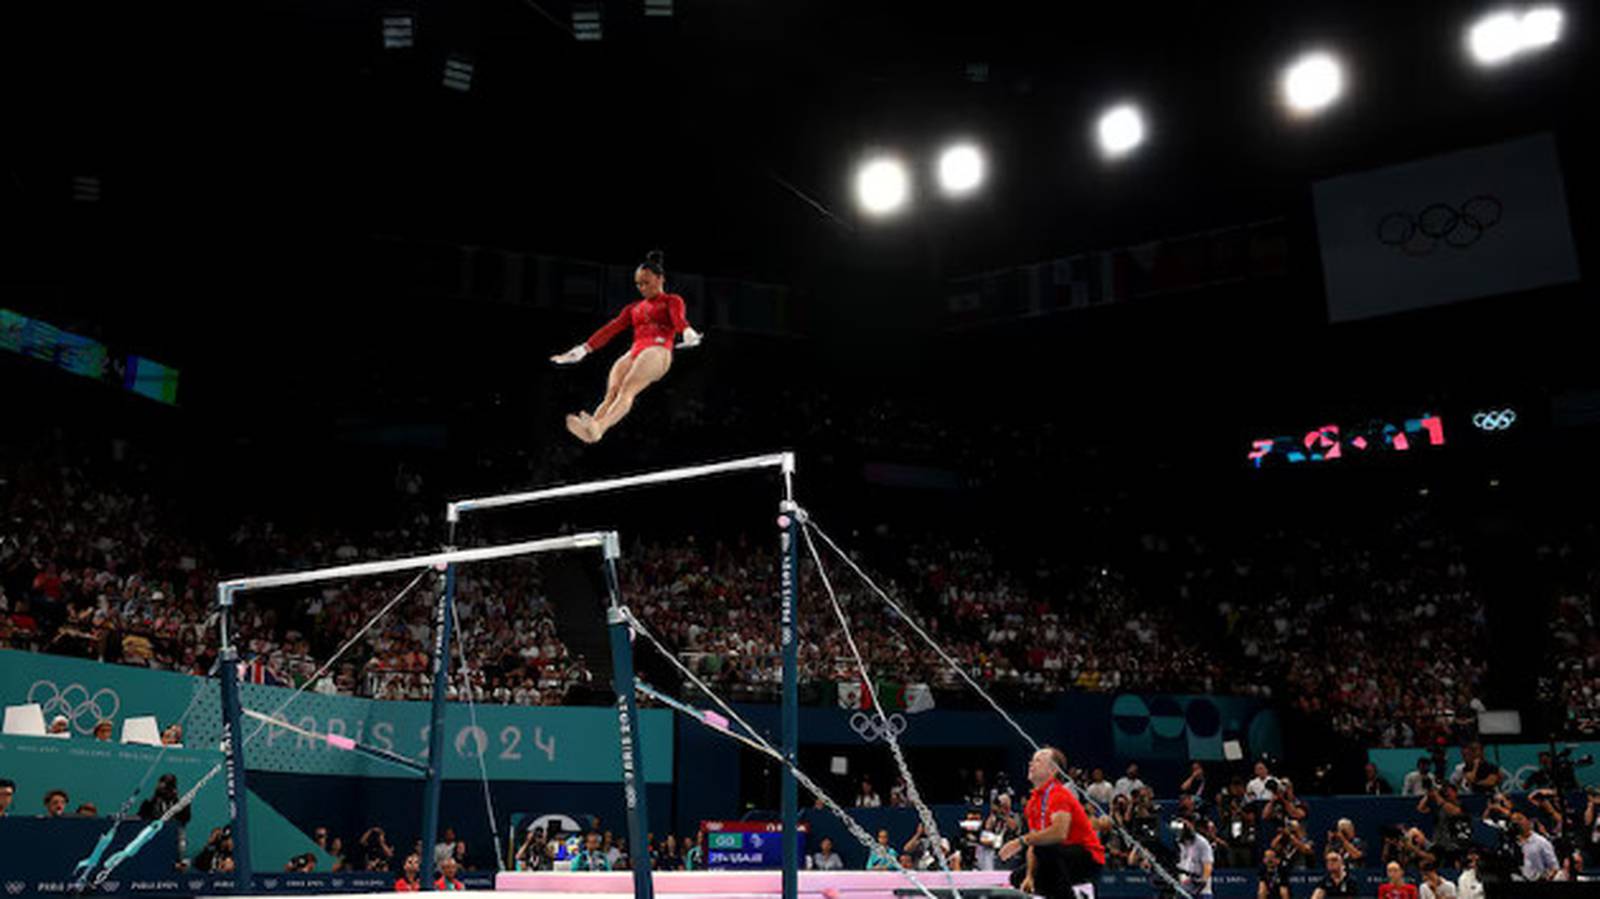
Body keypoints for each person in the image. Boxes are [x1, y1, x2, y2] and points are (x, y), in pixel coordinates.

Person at [550, 249, 702, 443]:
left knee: (627, 389)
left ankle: (599, 427)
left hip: (658, 351)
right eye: (638, 284)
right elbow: (611, 329)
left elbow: (678, 317)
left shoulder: (672, 300)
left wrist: (687, 331)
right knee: (611, 393)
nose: (642, 288)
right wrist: (582, 349)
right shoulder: (633, 308)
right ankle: (592, 429)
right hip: (636, 351)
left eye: (646, 282)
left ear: (660, 278)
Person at [998, 747, 1106, 899]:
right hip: (1059, 856)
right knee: (1018, 878)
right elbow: (1035, 843)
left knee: (1046, 849)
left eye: (1038, 760)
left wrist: (1020, 841)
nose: (1031, 763)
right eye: (1032, 760)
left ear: (1053, 770)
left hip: (1088, 858)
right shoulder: (1033, 802)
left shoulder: (1058, 794)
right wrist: (1030, 875)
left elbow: (1058, 833)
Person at [1174, 819, 1215, 898]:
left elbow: (1208, 864)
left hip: (1201, 890)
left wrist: (1203, 880)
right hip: (1184, 887)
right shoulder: (1179, 843)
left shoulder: (1202, 843)